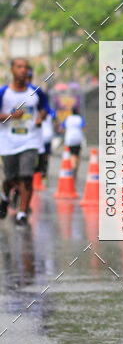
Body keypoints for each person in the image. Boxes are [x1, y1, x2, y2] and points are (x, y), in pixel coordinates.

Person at [0, 58, 49, 226]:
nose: (23, 70)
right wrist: (10, 117)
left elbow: (45, 108)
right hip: (8, 143)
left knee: (27, 177)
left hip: (30, 141)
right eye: (19, 67)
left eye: (25, 68)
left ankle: (22, 213)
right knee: (10, 179)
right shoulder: (3, 93)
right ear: (12, 70)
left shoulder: (36, 92)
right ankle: (5, 197)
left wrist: (40, 118)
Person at [62, 106, 85, 177]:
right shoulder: (80, 118)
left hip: (69, 139)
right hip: (78, 139)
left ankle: (72, 167)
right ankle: (75, 168)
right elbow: (83, 127)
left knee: (72, 155)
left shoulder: (68, 118)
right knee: (77, 155)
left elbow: (62, 127)